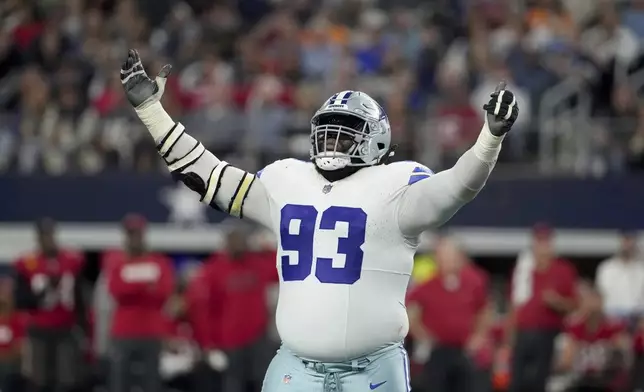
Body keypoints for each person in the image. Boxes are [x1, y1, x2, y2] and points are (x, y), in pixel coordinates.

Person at [120, 48, 519, 392]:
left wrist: (489, 138)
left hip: (372, 369)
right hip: (296, 367)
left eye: (346, 134)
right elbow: (210, 178)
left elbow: (457, 187)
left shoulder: (397, 183)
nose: (333, 141)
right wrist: (152, 112)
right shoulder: (286, 178)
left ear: (376, 139)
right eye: (328, 132)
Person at [192, 225, 278, 392]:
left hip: (258, 337)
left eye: (241, 241)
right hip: (229, 340)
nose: (238, 245)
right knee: (234, 384)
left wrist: (268, 247)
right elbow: (205, 309)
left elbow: (280, 267)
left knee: (263, 381)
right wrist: (208, 343)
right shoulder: (214, 269)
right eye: (233, 241)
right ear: (226, 244)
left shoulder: (257, 263)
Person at [407, 237, 491, 392]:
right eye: (443, 257)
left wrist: (479, 336)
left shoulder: (474, 282)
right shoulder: (427, 284)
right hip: (438, 352)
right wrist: (423, 336)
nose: (447, 261)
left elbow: (484, 310)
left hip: (465, 351)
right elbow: (412, 313)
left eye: (451, 257)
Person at [14, 218, 87, 392]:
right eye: (43, 236)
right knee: (39, 380)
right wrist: (42, 293)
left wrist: (83, 326)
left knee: (67, 380)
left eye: (50, 235)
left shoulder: (71, 260)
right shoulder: (28, 263)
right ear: (38, 239)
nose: (47, 239)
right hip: (39, 329)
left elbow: (80, 297)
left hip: (66, 328)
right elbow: (20, 299)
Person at [107, 214, 175, 392]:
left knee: (151, 382)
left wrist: (131, 286)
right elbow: (116, 291)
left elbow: (164, 292)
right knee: (120, 382)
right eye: (130, 234)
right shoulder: (116, 262)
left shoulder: (159, 262)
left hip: (151, 331)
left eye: (137, 234)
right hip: (124, 332)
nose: (134, 238)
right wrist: (145, 287)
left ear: (143, 235)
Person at [507, 223, 578, 392]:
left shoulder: (563, 270)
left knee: (540, 381)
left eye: (546, 241)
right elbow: (514, 306)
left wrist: (557, 302)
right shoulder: (523, 270)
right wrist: (508, 339)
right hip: (523, 334)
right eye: (539, 241)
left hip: (548, 333)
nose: (542, 246)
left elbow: (574, 305)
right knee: (517, 381)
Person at [557, 284, 631, 392]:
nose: (593, 306)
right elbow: (566, 361)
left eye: (596, 301)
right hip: (580, 380)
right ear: (583, 304)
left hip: (606, 379)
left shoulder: (614, 326)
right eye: (589, 301)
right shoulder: (573, 326)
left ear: (602, 303)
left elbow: (623, 357)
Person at [595, 230, 644, 323]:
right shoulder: (606, 268)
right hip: (611, 319)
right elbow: (599, 297)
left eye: (630, 239)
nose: (627, 244)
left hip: (637, 320)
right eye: (625, 240)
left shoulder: (641, 270)